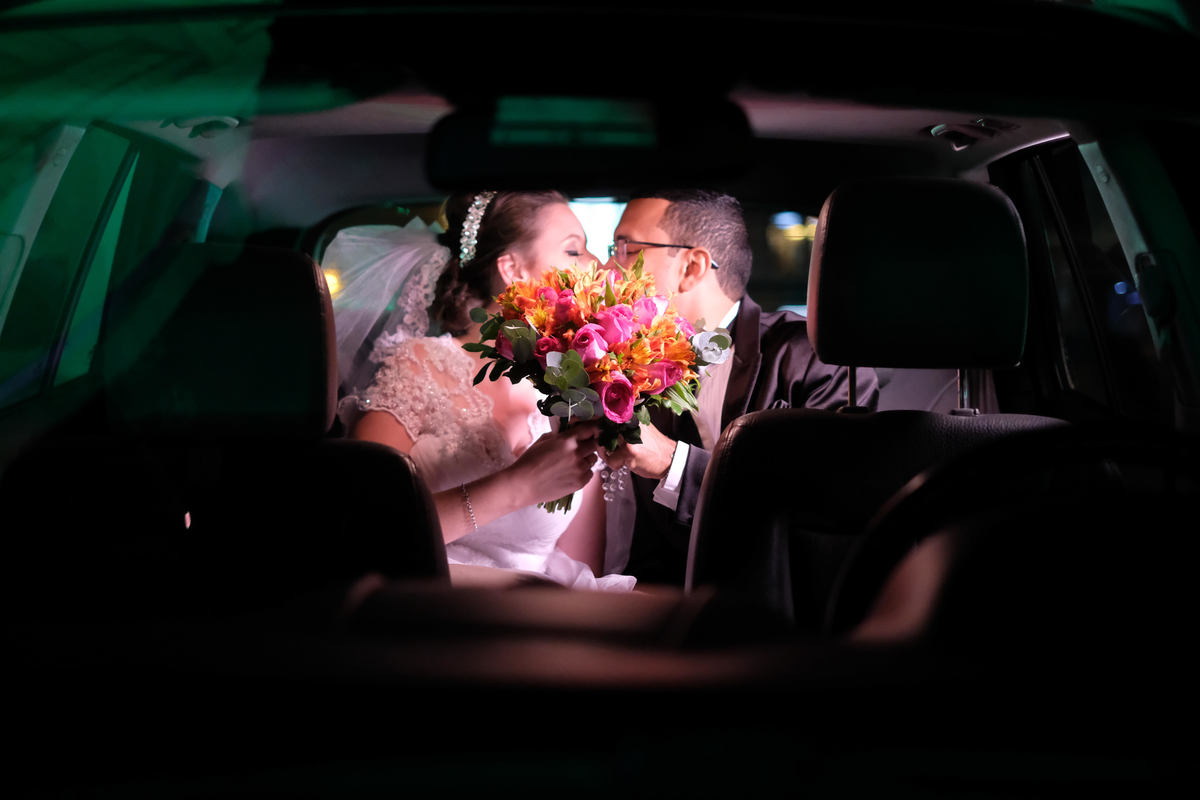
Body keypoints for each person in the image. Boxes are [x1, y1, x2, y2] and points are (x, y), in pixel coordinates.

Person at [329, 190, 635, 591]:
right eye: (574, 250)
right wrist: (518, 485)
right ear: (512, 270)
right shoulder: (421, 365)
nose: (596, 264)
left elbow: (580, 568)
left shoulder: (579, 389)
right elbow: (360, 531)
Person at [600, 189, 880, 585]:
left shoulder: (811, 359)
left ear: (692, 267)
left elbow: (822, 511)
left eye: (626, 249)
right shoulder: (631, 369)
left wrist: (672, 463)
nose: (608, 267)